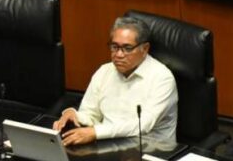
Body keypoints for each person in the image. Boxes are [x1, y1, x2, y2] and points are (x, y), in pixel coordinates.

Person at [53, 16, 178, 146]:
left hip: (149, 151)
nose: (118, 54)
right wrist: (73, 114)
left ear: (145, 49)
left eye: (127, 48)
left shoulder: (162, 78)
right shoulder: (104, 71)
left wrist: (95, 132)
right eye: (114, 47)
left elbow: (142, 125)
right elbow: (91, 114)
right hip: (106, 144)